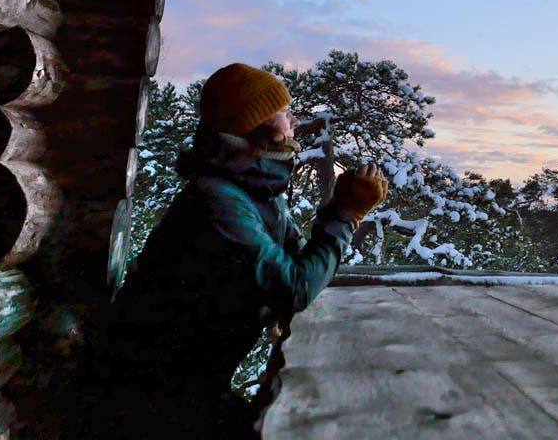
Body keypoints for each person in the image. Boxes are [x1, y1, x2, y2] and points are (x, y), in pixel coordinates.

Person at [83, 62, 387, 438]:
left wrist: (340, 214)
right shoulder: (220, 202)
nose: (293, 120)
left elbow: (291, 263)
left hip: (189, 391)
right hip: (147, 403)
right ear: (250, 124)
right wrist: (345, 215)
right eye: (283, 111)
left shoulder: (253, 187)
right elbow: (295, 287)